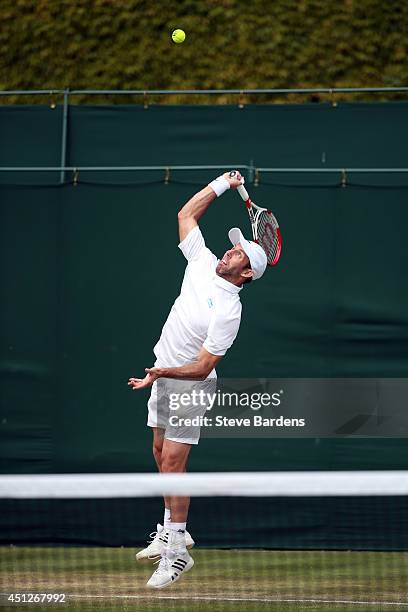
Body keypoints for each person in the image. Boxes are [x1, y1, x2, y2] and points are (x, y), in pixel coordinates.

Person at [128, 171, 267, 589]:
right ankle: (175, 528)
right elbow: (185, 214)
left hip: (188, 385)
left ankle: (176, 554)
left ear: (246, 274)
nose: (230, 250)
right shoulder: (203, 261)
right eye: (233, 246)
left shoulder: (229, 312)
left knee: (174, 463)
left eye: (239, 252)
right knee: (158, 454)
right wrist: (222, 183)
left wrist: (161, 373)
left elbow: (204, 367)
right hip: (163, 373)